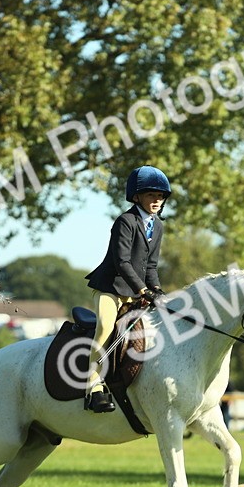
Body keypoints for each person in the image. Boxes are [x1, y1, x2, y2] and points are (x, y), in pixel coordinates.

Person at [83, 165, 169, 413]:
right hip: (111, 288)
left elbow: (150, 265)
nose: (157, 200)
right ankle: (93, 388)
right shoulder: (125, 221)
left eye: (160, 196)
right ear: (137, 196)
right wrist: (143, 290)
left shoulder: (158, 226)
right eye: (151, 195)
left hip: (135, 291)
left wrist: (156, 289)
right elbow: (122, 262)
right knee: (105, 328)